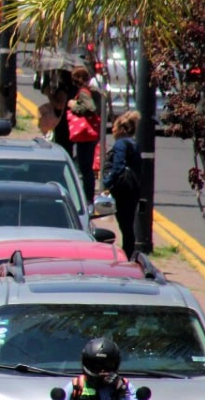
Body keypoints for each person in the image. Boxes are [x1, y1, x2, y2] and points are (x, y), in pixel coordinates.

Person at [103, 111, 142, 259]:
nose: (112, 130)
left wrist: (107, 183)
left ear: (121, 129)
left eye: (114, 127)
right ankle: (129, 251)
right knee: (128, 224)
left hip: (123, 189)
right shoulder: (134, 144)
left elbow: (117, 167)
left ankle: (127, 254)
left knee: (124, 224)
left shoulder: (121, 144)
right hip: (133, 189)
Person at [68, 66, 102, 202]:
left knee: (85, 168)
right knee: (86, 168)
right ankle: (88, 196)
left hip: (85, 135)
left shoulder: (83, 92)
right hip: (89, 135)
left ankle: (87, 198)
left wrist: (74, 106)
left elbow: (91, 108)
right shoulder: (92, 90)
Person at [38, 78, 74, 156]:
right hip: (69, 122)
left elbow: (59, 106)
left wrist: (49, 94)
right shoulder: (72, 88)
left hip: (63, 124)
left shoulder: (63, 90)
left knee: (63, 147)